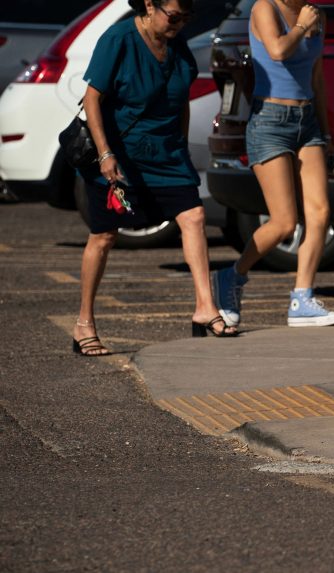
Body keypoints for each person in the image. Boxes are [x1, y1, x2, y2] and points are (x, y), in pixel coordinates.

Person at [72, 0, 237, 356]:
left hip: (166, 154)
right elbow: (92, 98)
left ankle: (205, 307)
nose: (179, 24)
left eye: (186, 17)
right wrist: (105, 154)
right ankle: (84, 322)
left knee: (194, 215)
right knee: (103, 236)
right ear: (149, 4)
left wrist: (180, 145)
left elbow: (181, 100)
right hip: (121, 154)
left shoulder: (175, 45)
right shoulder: (118, 39)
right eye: (174, 16)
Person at [211, 0, 334, 328]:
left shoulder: (317, 15)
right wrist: (301, 27)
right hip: (270, 121)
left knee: (320, 213)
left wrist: (326, 134)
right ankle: (232, 276)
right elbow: (277, 51)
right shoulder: (263, 9)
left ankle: (302, 298)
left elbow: (317, 79)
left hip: (307, 120)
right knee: (284, 222)